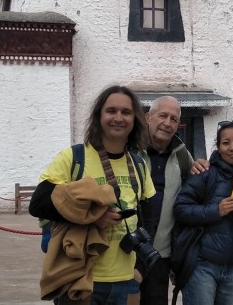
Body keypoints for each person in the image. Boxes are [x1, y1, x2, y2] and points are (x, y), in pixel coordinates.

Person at [30, 85, 156, 305]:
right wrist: (92, 216)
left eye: (126, 112)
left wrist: (140, 270)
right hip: (80, 278)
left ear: (135, 120)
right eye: (111, 111)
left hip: (126, 281)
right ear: (98, 116)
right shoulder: (74, 157)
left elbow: (149, 219)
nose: (118, 118)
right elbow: (38, 204)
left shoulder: (139, 165)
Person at [173, 120, 233, 305]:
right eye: (226, 143)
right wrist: (217, 210)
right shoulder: (205, 173)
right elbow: (180, 209)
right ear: (219, 147)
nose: (232, 148)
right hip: (202, 266)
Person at [137, 96, 193, 305]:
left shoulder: (181, 155)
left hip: (160, 255)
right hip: (125, 252)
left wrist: (202, 166)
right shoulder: (129, 150)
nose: (167, 123)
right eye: (162, 116)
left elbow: (195, 183)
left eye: (173, 119)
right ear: (148, 118)